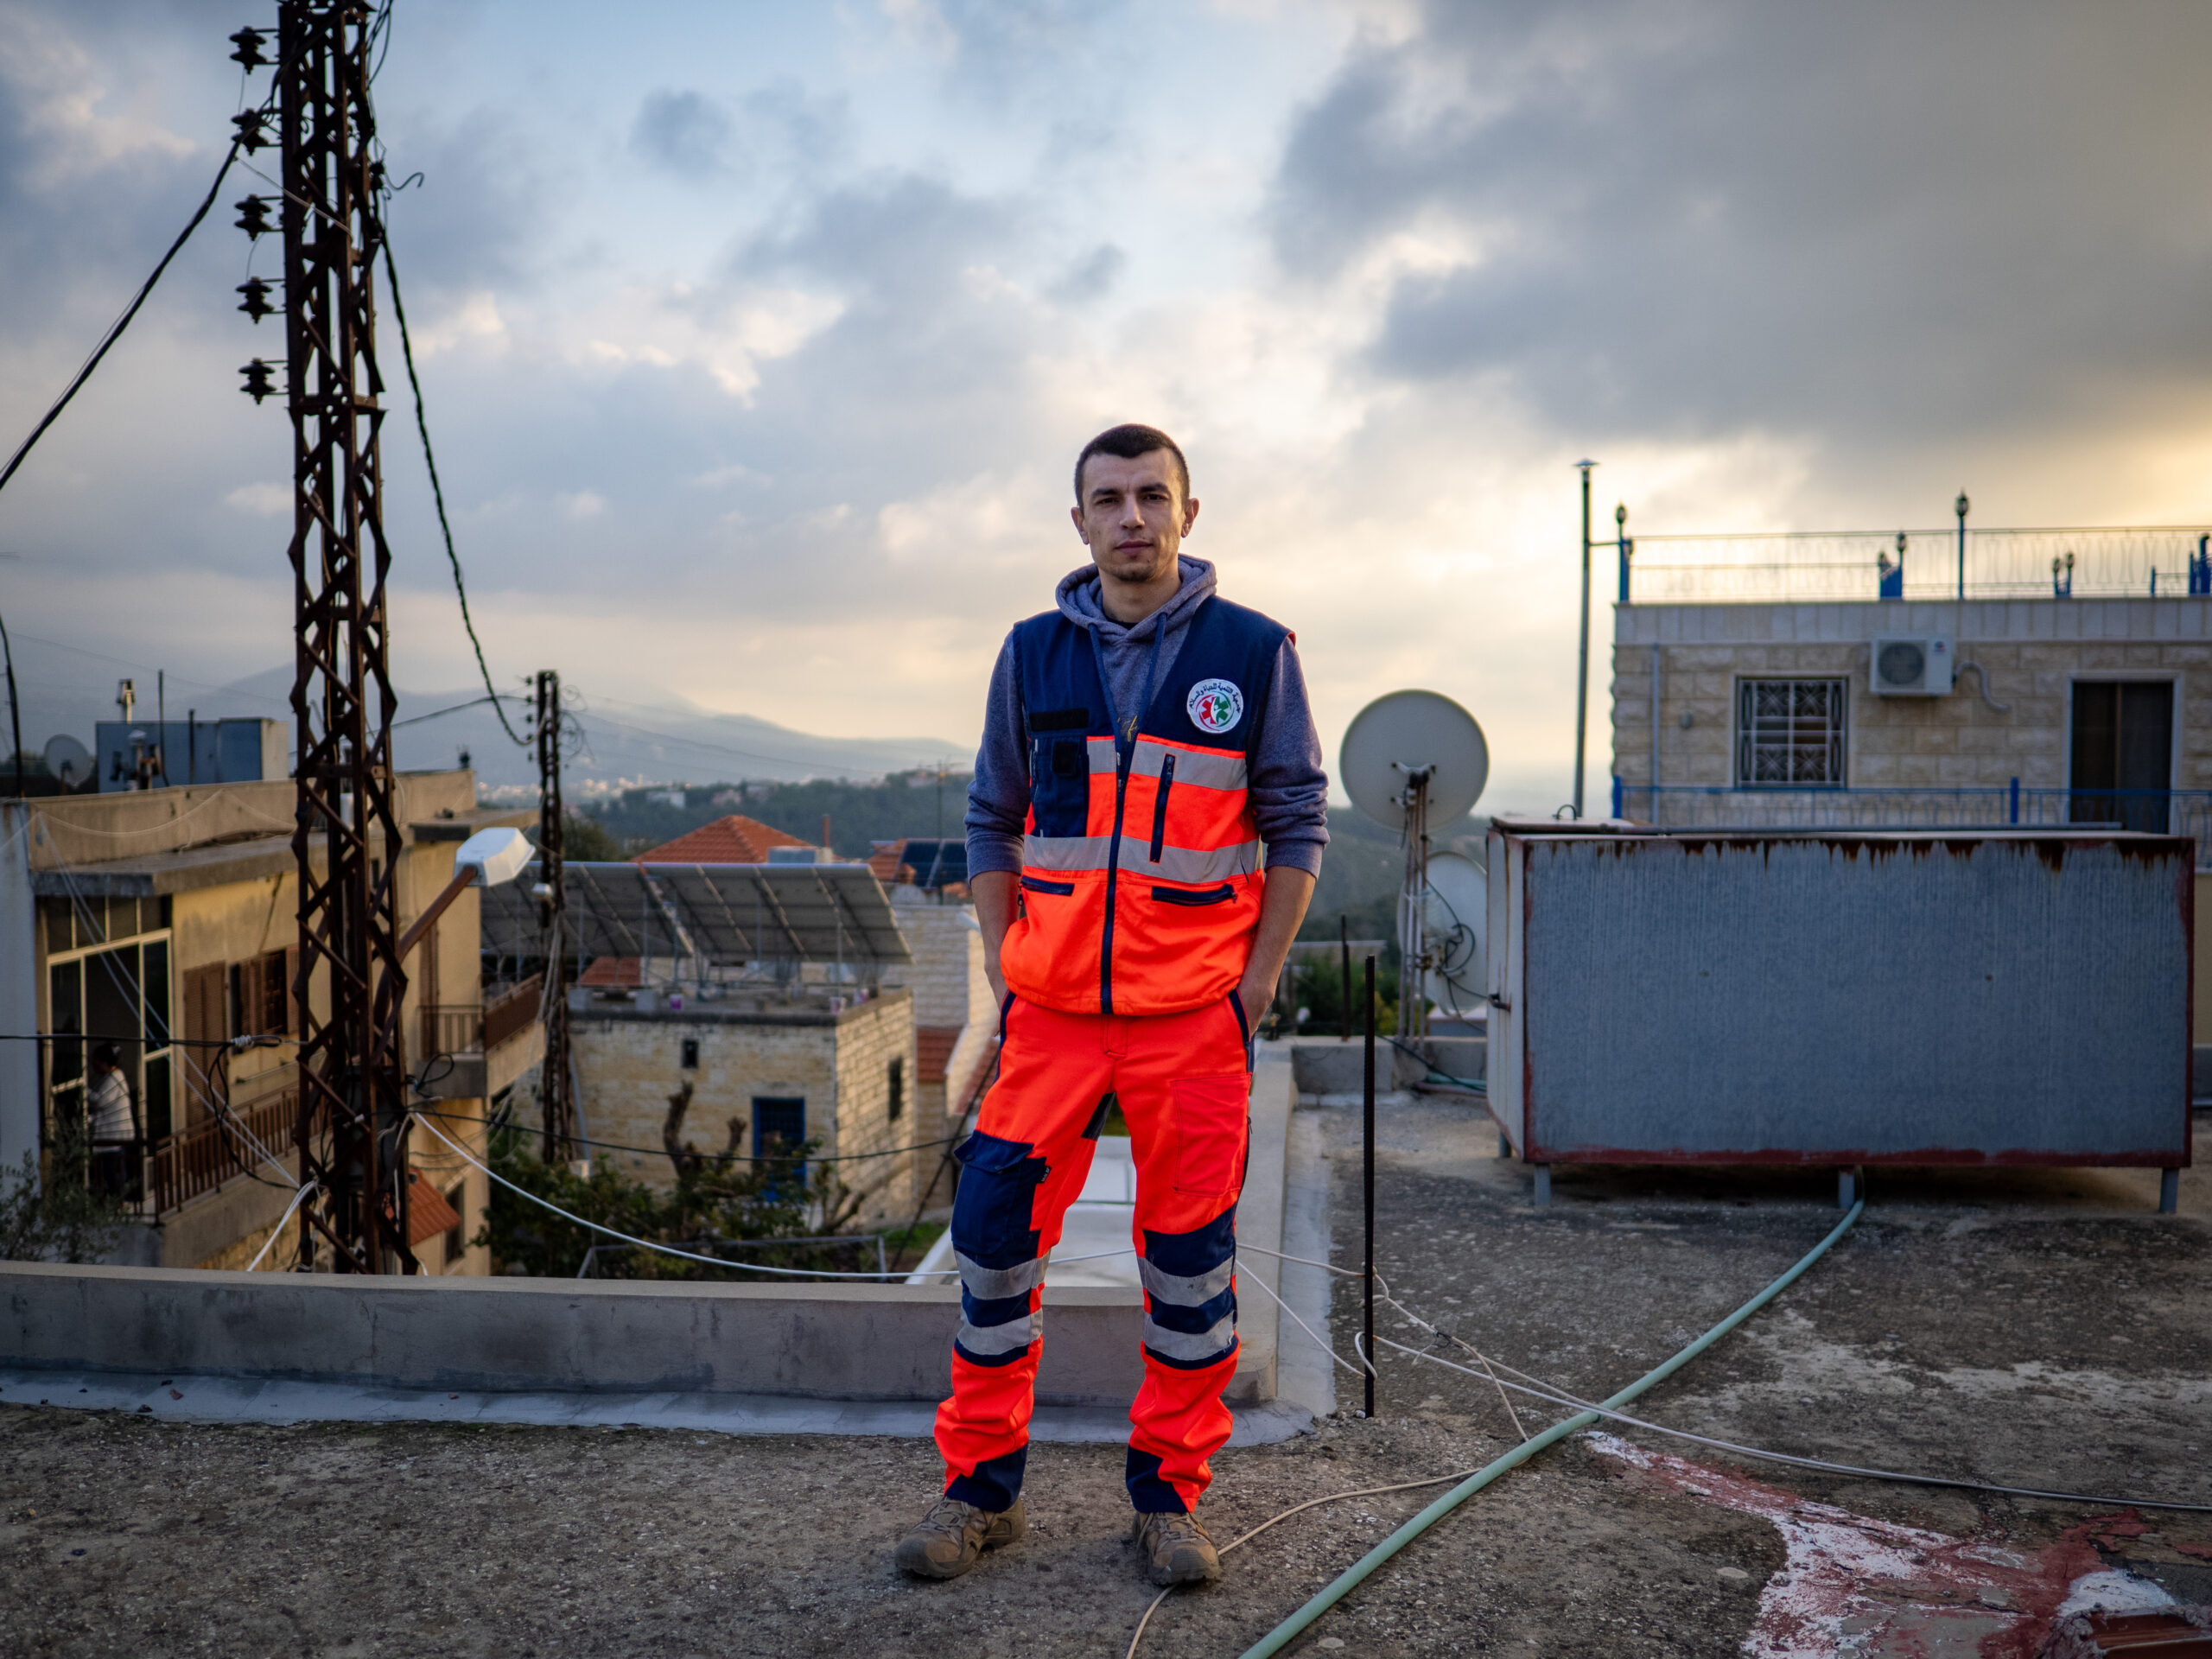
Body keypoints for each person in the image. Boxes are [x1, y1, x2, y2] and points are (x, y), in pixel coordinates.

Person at [897, 423, 1327, 1586]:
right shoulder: (1032, 654)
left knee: (1189, 1268)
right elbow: (992, 816)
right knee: (990, 1247)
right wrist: (1006, 957)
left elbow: (1297, 821)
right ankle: (981, 1494)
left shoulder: (1253, 651)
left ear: (1189, 513)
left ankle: (1170, 1501)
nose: (1131, 516)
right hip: (1051, 1021)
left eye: (1152, 496)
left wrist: (1259, 979)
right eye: (1108, 499)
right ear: (1077, 521)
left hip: (1193, 1022)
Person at [85, 1044, 137, 1199]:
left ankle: (118, 1200)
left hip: (114, 1136)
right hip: (116, 1135)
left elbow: (102, 1101)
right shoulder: (114, 1077)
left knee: (113, 1172)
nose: (93, 1066)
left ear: (103, 1062)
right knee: (116, 1171)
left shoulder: (114, 1078)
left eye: (95, 1062)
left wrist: (83, 1090)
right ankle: (119, 1200)